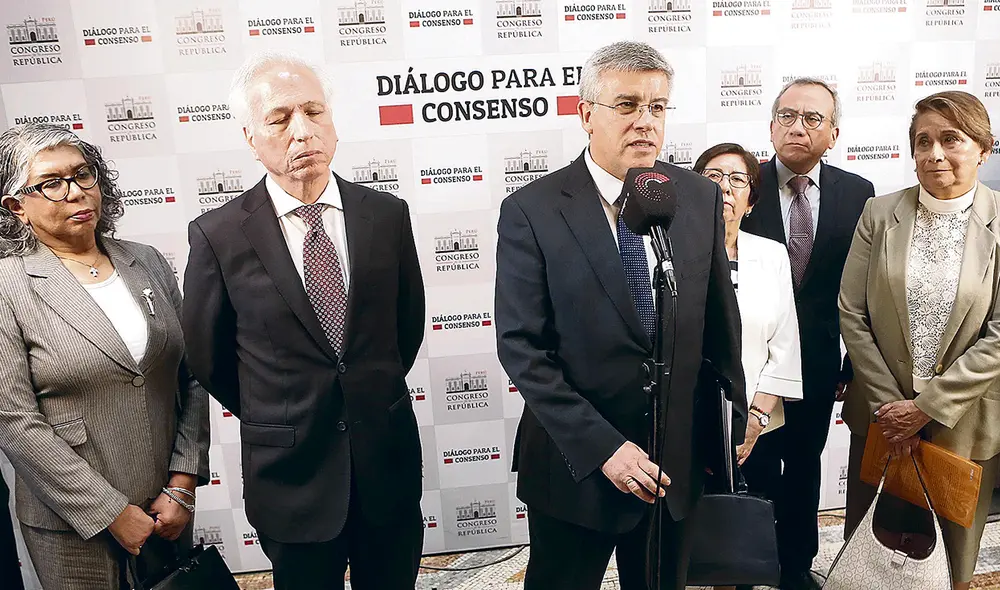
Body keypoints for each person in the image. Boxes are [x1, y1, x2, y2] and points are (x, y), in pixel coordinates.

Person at [495, 41, 745, 590]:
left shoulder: (698, 197)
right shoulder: (531, 211)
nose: (645, 122)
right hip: (574, 464)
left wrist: (731, 421)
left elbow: (720, 327)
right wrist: (603, 447)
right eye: (627, 105)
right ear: (586, 114)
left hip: (673, 463)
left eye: (658, 107)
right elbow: (522, 348)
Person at [182, 51, 426, 590]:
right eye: (280, 118)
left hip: (386, 465)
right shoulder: (219, 235)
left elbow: (405, 330)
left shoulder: (386, 215)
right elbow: (208, 357)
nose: (302, 132)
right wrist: (282, 407)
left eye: (314, 112)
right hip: (291, 478)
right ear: (250, 136)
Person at [0, 123, 210, 589]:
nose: (76, 192)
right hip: (73, 524)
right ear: (17, 207)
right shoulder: (8, 285)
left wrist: (182, 484)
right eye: (52, 183)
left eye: (83, 174)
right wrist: (110, 512)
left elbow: (192, 378)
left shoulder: (147, 260)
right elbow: (12, 419)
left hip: (166, 511)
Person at [839, 91, 999, 590]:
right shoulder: (879, 213)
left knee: (950, 563)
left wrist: (927, 407)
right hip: (883, 421)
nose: (934, 153)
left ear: (983, 149)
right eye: (922, 141)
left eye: (951, 139)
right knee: (871, 556)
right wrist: (894, 408)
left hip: (963, 421)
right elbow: (852, 310)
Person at [739, 77, 874, 590]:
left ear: (834, 133)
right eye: (788, 116)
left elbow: (862, 288)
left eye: (813, 118)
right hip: (749, 366)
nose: (799, 127)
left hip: (817, 366)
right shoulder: (737, 185)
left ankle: (796, 568)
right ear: (772, 125)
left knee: (802, 470)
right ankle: (746, 567)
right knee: (751, 469)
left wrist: (851, 364)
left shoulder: (857, 193)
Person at [692, 143, 802, 534]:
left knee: (746, 538)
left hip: (760, 425)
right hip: (688, 428)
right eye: (713, 178)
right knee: (689, 538)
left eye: (738, 180)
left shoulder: (772, 255)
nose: (725, 188)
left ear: (751, 201)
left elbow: (785, 343)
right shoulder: (671, 254)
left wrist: (754, 420)